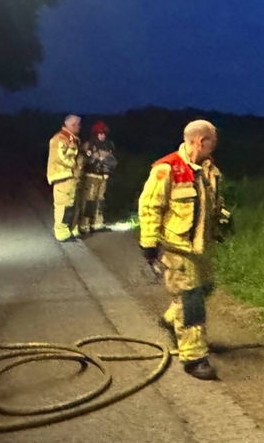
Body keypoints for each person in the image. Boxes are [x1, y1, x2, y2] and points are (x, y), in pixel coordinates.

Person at [137, 120, 230, 380]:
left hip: (199, 248)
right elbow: (149, 208)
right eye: (212, 142)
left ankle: (170, 320)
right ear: (200, 141)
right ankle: (194, 357)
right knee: (190, 301)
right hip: (176, 248)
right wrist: (149, 244)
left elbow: (212, 202)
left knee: (206, 287)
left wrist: (222, 219)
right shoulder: (167, 169)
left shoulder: (210, 169)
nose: (214, 148)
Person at [46, 115, 83, 242]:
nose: (79, 127)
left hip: (71, 177)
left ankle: (71, 228)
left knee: (72, 204)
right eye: (78, 124)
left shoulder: (72, 138)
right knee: (64, 204)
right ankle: (62, 232)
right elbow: (60, 158)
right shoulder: (60, 138)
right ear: (72, 124)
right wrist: (75, 166)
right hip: (63, 176)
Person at [78, 120, 117, 235]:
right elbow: (84, 159)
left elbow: (112, 160)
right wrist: (95, 157)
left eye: (104, 133)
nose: (102, 135)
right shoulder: (89, 144)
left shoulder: (109, 144)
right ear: (95, 133)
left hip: (103, 176)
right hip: (91, 176)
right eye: (100, 133)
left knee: (100, 200)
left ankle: (97, 223)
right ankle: (84, 224)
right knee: (89, 200)